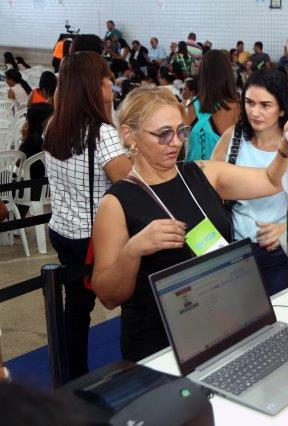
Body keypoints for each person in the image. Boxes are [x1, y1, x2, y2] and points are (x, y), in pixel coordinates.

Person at [92, 85, 288, 361]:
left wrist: (285, 149)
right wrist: (134, 250)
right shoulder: (116, 203)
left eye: (181, 131)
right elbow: (109, 296)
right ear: (129, 134)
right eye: (163, 134)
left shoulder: (203, 173)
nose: (175, 142)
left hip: (221, 323)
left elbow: (269, 180)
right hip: (161, 343)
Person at [43, 52, 132, 379]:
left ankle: (73, 374)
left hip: (63, 228)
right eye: (108, 81)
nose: (113, 87)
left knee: (77, 306)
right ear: (94, 86)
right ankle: (132, 366)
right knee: (127, 294)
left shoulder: (54, 124)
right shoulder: (102, 132)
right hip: (95, 237)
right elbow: (128, 179)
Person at [207, 70, 288, 296]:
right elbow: (210, 188)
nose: (255, 112)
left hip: (282, 255)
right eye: (250, 102)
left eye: (265, 105)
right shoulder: (233, 137)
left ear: (282, 109)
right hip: (236, 252)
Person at [185, 50, 240, 161]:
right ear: (228, 74)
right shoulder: (237, 108)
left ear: (202, 74)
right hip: (226, 171)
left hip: (192, 170)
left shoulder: (190, 106)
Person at [17, 103, 53, 217]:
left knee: (9, 178)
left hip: (34, 190)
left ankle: (16, 218)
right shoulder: (55, 140)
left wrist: (24, 138)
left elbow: (18, 164)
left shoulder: (30, 143)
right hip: (52, 188)